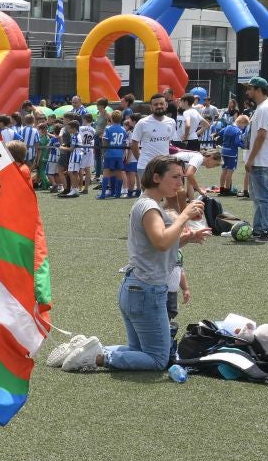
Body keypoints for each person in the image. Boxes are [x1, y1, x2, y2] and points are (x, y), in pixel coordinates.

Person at [52, 155, 208, 375]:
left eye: (181, 178)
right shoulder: (149, 207)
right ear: (156, 177)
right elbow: (161, 242)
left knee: (139, 350)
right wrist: (184, 216)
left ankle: (81, 348)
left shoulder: (149, 205)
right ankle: (98, 357)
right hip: (146, 291)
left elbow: (155, 245)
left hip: (137, 288)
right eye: (174, 177)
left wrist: (186, 239)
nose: (179, 183)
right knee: (157, 359)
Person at [242, 78, 268, 241]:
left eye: (249, 88)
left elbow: (261, 135)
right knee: (257, 197)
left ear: (258, 90)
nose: (247, 92)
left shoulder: (265, 108)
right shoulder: (264, 107)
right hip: (260, 159)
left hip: (260, 160)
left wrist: (250, 159)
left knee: (262, 197)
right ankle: (258, 228)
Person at [128, 94, 177, 197]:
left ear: (166, 105)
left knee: (165, 194)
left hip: (164, 166)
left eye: (161, 104)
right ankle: (138, 212)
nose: (159, 106)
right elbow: (134, 144)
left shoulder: (171, 122)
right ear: (151, 107)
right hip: (146, 165)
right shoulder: (143, 122)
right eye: (156, 104)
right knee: (148, 194)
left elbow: (169, 143)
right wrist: (141, 159)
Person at [99, 110, 128, 199]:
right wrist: (123, 153)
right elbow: (124, 144)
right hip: (119, 154)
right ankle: (118, 193)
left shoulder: (108, 128)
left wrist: (103, 152)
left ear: (111, 118)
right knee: (119, 174)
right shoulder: (123, 129)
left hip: (110, 154)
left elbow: (105, 141)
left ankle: (103, 194)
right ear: (121, 119)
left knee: (106, 173)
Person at [217, 114, 247, 196]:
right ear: (241, 122)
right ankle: (227, 190)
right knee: (230, 172)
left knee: (224, 171)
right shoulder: (238, 131)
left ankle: (221, 189)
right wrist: (245, 146)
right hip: (232, 153)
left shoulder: (228, 127)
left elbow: (220, 133)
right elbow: (237, 142)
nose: (244, 127)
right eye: (244, 125)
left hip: (224, 151)